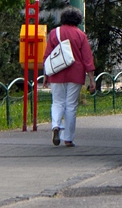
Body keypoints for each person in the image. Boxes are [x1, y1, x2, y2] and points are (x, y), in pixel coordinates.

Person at [43, 8, 96, 147]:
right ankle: (68, 138)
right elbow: (87, 59)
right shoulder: (80, 35)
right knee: (71, 105)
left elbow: (48, 55)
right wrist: (91, 79)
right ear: (78, 20)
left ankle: (55, 125)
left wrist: (45, 74)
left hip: (56, 72)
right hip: (75, 73)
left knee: (57, 102)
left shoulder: (55, 33)